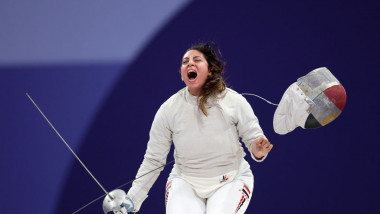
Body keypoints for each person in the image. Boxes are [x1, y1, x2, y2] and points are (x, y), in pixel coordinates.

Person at [111, 42, 273, 214]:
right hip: (185, 182)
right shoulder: (169, 110)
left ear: (210, 70)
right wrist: (133, 198)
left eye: (197, 60)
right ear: (182, 75)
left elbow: (254, 138)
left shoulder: (234, 101)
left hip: (231, 180)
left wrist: (257, 150)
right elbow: (154, 159)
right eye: (185, 61)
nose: (189, 63)